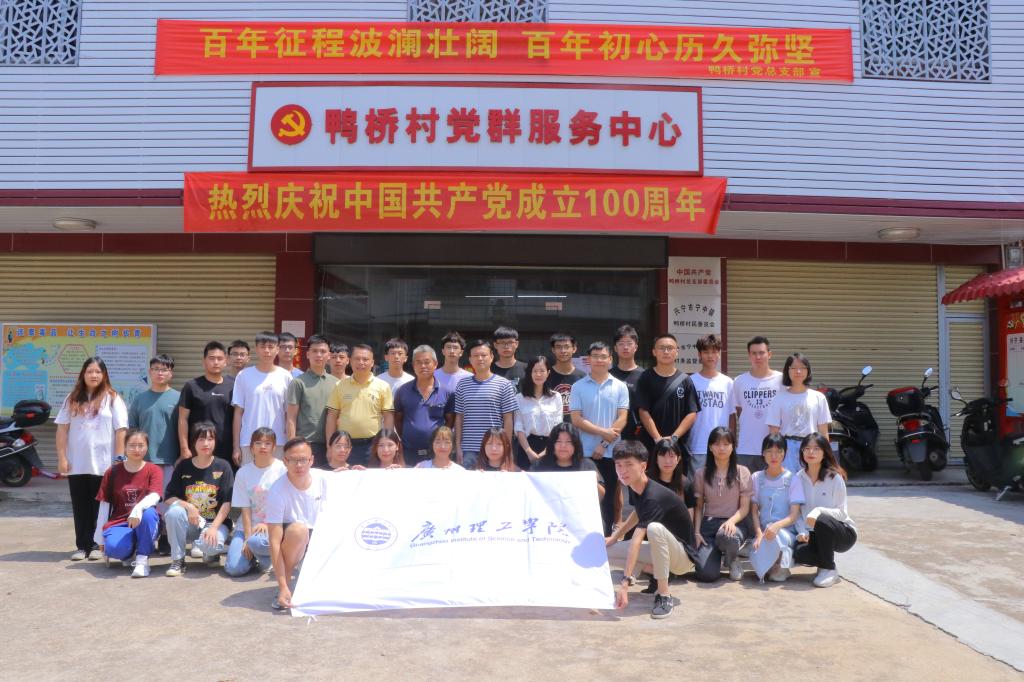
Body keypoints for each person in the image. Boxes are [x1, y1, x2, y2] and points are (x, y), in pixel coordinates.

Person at [608, 441, 696, 620]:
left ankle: (664, 595)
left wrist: (625, 583)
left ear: (643, 466)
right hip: (663, 552)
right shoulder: (635, 484)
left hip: (683, 558)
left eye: (629, 465)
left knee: (654, 529)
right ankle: (657, 570)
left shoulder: (653, 495)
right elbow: (637, 513)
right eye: (619, 465)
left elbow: (637, 538)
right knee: (605, 550)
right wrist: (614, 537)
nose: (623, 470)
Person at [56, 356, 128, 561]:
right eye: (90, 371)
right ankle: (82, 546)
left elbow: (121, 430)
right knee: (80, 506)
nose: (94, 375)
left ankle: (97, 545)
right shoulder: (72, 398)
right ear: (83, 374)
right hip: (77, 463)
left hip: (104, 464)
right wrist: (62, 457)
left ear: (104, 375)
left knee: (101, 507)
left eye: (98, 371)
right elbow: (62, 429)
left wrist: (119, 459)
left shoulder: (113, 398)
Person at [570, 341, 628, 535]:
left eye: (603, 356)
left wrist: (603, 443)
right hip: (584, 452)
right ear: (588, 360)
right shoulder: (578, 387)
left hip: (611, 452)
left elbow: (622, 418)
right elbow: (576, 419)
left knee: (610, 495)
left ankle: (607, 538)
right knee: (586, 497)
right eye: (595, 356)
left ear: (610, 359)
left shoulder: (620, 386)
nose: (599, 360)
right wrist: (604, 433)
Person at [163, 421, 235, 577]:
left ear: (215, 441)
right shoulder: (183, 466)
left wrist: (213, 528)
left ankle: (211, 553)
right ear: (193, 442)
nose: (206, 443)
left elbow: (227, 503)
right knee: (174, 512)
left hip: (215, 523)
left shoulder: (223, 466)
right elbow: (168, 497)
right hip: (191, 523)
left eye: (210, 439)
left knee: (210, 546)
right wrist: (189, 507)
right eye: (201, 439)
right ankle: (178, 560)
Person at [266, 438, 329, 610]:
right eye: (293, 460)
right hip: (294, 540)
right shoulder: (276, 491)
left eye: (303, 460)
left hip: (320, 537)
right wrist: (282, 585)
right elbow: (274, 542)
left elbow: (351, 479)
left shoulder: (324, 478)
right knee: (298, 530)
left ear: (312, 460)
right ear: (285, 461)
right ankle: (284, 587)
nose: (299, 465)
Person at [94, 428, 163, 577]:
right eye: (132, 445)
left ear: (147, 447)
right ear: (124, 447)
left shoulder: (154, 470)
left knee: (149, 514)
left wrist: (138, 509)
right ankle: (130, 551)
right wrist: (99, 538)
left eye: (141, 445)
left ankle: (142, 560)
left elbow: (155, 495)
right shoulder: (112, 472)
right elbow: (104, 505)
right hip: (120, 522)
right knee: (114, 549)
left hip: (144, 521)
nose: (136, 449)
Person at [793, 433, 856, 588]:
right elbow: (797, 511)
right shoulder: (798, 478)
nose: (811, 452)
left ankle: (829, 569)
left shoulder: (835, 478)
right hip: (813, 533)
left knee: (821, 519)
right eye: (807, 448)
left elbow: (842, 512)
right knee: (800, 553)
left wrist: (819, 511)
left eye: (816, 449)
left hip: (842, 532)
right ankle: (824, 563)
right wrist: (802, 531)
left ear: (824, 452)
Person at [224, 427, 287, 577]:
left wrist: (267, 524)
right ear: (251, 448)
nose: (263, 447)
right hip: (247, 527)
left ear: (274, 447)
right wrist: (247, 539)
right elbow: (245, 508)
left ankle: (267, 558)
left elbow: (285, 505)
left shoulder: (282, 470)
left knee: (258, 543)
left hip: (273, 525)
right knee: (234, 568)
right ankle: (255, 558)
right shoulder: (243, 473)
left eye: (267, 443)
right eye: (258, 443)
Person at [692, 427, 752, 582]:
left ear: (733, 447)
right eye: (717, 444)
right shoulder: (701, 474)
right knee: (707, 575)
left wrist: (731, 521)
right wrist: (697, 532)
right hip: (708, 525)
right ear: (710, 447)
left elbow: (745, 507)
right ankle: (715, 555)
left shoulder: (742, 472)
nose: (722, 448)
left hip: (734, 524)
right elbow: (698, 507)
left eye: (726, 444)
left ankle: (732, 560)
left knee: (726, 535)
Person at [635, 334, 701, 466]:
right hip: (651, 445)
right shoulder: (645, 378)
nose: (666, 351)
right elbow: (643, 411)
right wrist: (658, 439)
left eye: (670, 348)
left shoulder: (685, 380)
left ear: (677, 352)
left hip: (678, 446)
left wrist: (674, 438)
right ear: (654, 352)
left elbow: (692, 413)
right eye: (661, 348)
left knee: (678, 478)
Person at [325, 343, 394, 467]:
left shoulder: (383, 386)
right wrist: (330, 446)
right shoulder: (340, 386)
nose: (361, 362)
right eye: (357, 359)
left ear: (372, 363)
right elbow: (331, 417)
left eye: (365, 359)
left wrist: (387, 443)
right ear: (350, 361)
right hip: (345, 445)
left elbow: (388, 416)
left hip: (373, 444)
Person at [232, 331, 293, 467]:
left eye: (271, 347)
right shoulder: (243, 375)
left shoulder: (286, 376)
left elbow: (289, 414)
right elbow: (238, 413)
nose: (267, 351)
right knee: (249, 479)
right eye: (263, 346)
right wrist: (236, 446)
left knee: (277, 479)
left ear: (277, 349)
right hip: (249, 442)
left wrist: (290, 444)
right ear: (256, 349)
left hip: (278, 442)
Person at [749, 433, 804, 583]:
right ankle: (771, 564)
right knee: (759, 554)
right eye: (769, 451)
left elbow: (794, 515)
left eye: (778, 451)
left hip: (785, 533)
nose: (774, 456)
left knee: (777, 538)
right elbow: (754, 511)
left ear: (784, 453)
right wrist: (758, 534)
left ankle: (781, 564)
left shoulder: (793, 479)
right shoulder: (756, 478)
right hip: (763, 532)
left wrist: (777, 526)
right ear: (763, 453)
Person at [454, 340, 517, 468]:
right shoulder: (462, 385)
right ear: (470, 359)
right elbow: (459, 417)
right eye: (476, 356)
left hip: (495, 449)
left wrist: (507, 448)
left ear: (492, 357)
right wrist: (458, 447)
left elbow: (508, 419)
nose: (480, 359)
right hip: (469, 449)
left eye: (484, 355)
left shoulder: (504, 384)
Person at [765, 352, 831, 473]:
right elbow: (774, 432)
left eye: (802, 368)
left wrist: (827, 456)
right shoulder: (778, 398)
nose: (798, 371)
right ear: (787, 371)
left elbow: (823, 431)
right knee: (787, 482)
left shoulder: (818, 397)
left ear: (808, 370)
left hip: (811, 448)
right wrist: (775, 454)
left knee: (811, 481)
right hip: (786, 449)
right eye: (794, 368)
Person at [394, 345, 455, 467]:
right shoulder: (403, 391)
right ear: (413, 365)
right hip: (409, 452)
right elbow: (398, 420)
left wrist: (440, 439)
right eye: (418, 362)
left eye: (427, 362)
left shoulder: (447, 392)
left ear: (435, 364)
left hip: (437, 453)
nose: (423, 366)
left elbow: (450, 422)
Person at [730, 336, 783, 474]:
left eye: (761, 353)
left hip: (774, 448)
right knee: (745, 486)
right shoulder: (739, 381)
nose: (758, 357)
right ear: (749, 355)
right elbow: (739, 411)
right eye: (754, 353)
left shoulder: (782, 380)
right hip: (746, 448)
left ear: (769, 354)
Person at [286, 334, 339, 470]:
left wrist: (333, 445)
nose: (319, 355)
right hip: (305, 444)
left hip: (331, 444)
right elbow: (291, 417)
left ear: (329, 355)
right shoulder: (298, 382)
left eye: (323, 351)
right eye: (315, 351)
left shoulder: (336, 383)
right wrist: (292, 446)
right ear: (307, 354)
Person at [177, 341, 235, 465]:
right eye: (211, 358)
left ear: (226, 362)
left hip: (227, 451)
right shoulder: (191, 386)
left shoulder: (233, 386)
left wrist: (237, 447)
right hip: (199, 449)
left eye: (220, 359)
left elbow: (239, 418)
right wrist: (184, 448)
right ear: (203, 361)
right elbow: (182, 419)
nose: (216, 362)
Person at [128, 354, 179, 489]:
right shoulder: (139, 399)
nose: (160, 373)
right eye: (156, 369)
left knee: (167, 499)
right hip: (143, 460)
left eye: (164, 369)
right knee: (144, 499)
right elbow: (132, 430)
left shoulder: (179, 398)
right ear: (150, 372)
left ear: (171, 373)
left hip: (170, 460)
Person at [687, 334, 734, 474]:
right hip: (697, 446)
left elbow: (732, 416)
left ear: (719, 354)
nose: (710, 356)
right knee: (697, 486)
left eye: (714, 351)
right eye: (706, 352)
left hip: (722, 446)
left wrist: (731, 443)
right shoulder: (691, 381)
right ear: (699, 354)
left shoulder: (728, 382)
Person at [531, 423, 604, 500]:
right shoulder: (539, 465)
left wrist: (594, 483)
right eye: (558, 441)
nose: (563, 446)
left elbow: (602, 496)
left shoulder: (587, 465)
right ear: (552, 444)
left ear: (576, 445)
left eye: (568, 441)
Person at [514, 356, 563, 469]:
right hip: (526, 447)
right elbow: (518, 427)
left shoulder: (556, 397)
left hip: (550, 446)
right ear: (529, 373)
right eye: (535, 371)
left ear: (548, 373)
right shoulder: (520, 398)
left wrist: (546, 451)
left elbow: (557, 426)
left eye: (542, 371)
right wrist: (528, 451)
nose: (538, 374)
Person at [546, 332, 586, 421]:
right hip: (551, 427)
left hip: (576, 427)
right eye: (558, 347)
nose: (563, 351)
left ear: (574, 349)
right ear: (553, 350)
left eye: (566, 347)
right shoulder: (545, 376)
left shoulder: (583, 377)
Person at [491, 326, 527, 391]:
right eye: (502, 342)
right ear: (495, 345)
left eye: (510, 342)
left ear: (516, 344)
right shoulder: (488, 369)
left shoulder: (527, 368)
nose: (506, 346)